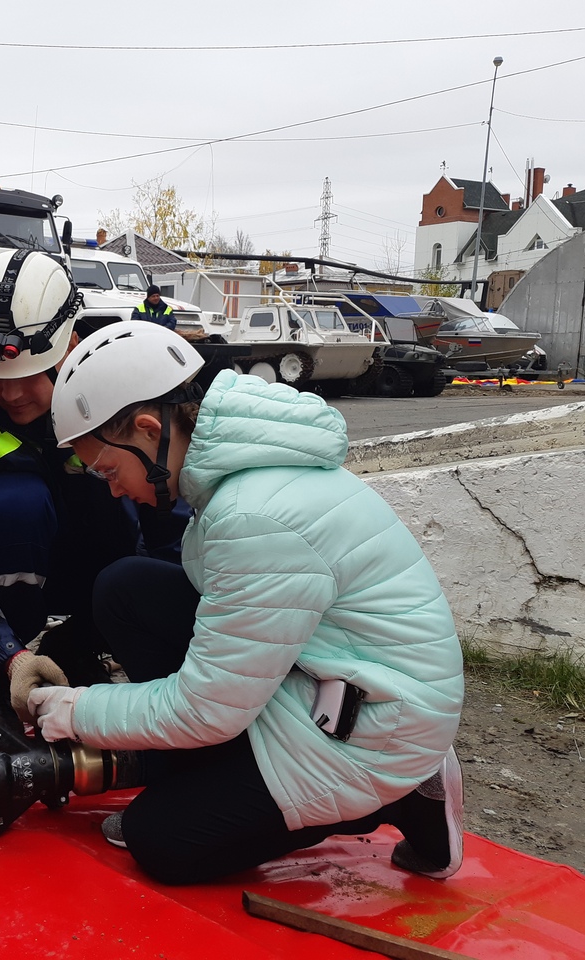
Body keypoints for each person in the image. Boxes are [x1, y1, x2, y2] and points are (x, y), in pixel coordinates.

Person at [31, 320, 465, 885]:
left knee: (161, 840)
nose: (112, 489)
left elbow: (206, 708)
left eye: (109, 470)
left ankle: (402, 795)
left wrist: (77, 711)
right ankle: (213, 772)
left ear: (146, 429)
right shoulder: (239, 466)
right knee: (125, 589)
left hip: (376, 726)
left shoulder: (252, 515)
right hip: (325, 673)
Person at [0, 250, 186, 722]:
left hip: (105, 578)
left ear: (70, 345)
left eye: (30, 375)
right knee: (16, 502)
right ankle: (11, 670)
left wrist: (144, 629)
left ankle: (87, 642)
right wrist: (7, 658)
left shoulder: (113, 397)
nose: (12, 394)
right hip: (15, 590)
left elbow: (169, 520)